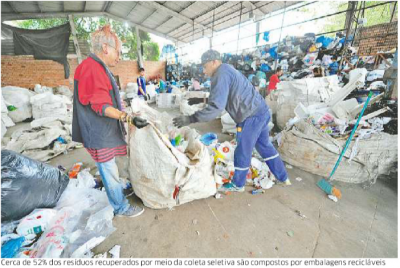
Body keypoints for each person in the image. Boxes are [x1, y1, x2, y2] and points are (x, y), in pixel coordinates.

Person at [173, 50, 290, 192]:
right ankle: (283, 177)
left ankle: (238, 184)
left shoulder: (220, 74)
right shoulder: (226, 70)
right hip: (261, 111)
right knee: (264, 145)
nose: (204, 71)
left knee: (242, 150)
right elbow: (222, 96)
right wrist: (201, 99)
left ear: (214, 62)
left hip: (251, 116)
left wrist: (190, 118)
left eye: (205, 66)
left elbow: (216, 107)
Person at [72, 25, 149, 217]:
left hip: (101, 130)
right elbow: (101, 106)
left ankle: (117, 194)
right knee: (108, 170)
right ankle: (120, 207)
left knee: (109, 167)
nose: (119, 56)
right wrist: (128, 118)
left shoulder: (97, 66)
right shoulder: (91, 68)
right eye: (118, 51)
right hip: (98, 132)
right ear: (106, 48)